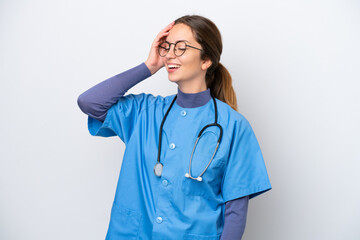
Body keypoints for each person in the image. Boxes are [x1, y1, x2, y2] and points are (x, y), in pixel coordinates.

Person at [77, 15, 271, 240]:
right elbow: (89, 102)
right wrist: (149, 66)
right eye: (167, 47)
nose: (169, 54)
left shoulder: (233, 126)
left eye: (181, 48)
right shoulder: (144, 111)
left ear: (206, 60)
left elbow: (235, 212)